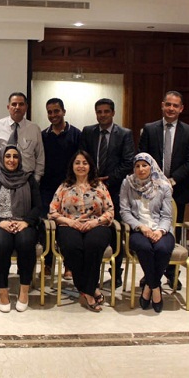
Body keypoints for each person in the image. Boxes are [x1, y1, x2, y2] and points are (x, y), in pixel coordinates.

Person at [138, 90, 189, 290]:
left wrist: (171, 180)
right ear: (162, 105)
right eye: (168, 104)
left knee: (173, 232)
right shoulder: (149, 129)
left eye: (175, 105)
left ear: (181, 109)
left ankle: (172, 274)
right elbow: (143, 157)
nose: (171, 108)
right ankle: (149, 275)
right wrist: (154, 180)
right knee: (150, 232)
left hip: (177, 190)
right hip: (150, 191)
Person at [49, 150, 114, 312]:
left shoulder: (100, 186)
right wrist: (70, 222)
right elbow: (52, 212)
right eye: (77, 163)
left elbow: (110, 211)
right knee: (73, 247)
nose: (81, 166)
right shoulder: (64, 186)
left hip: (96, 225)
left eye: (85, 163)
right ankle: (90, 289)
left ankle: (87, 292)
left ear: (90, 166)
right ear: (72, 166)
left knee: (93, 245)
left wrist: (94, 223)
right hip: (69, 225)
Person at [0, 145, 42, 312]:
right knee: (1, 244)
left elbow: (38, 206)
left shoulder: (29, 179)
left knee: (26, 242)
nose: (11, 160)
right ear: (2, 158)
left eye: (15, 156)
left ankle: (24, 290)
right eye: (8, 156)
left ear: (20, 160)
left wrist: (26, 221)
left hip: (24, 222)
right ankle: (3, 292)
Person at [80, 98, 134, 285]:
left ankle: (116, 272)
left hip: (115, 190)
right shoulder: (88, 132)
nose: (102, 115)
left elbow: (128, 162)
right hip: (90, 190)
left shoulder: (125, 134)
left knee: (115, 232)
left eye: (106, 111)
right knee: (90, 231)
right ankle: (89, 272)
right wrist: (92, 179)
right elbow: (82, 158)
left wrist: (108, 180)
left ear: (113, 113)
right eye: (99, 112)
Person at [120, 153, 175, 313]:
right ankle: (155, 288)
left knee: (162, 249)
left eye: (144, 165)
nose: (141, 169)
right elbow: (124, 211)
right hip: (138, 229)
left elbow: (167, 216)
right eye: (137, 166)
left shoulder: (163, 186)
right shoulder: (127, 183)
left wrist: (160, 231)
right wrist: (141, 227)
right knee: (144, 247)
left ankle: (148, 286)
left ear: (152, 167)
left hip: (161, 228)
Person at [40, 98, 81, 278]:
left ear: (64, 111)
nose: (53, 115)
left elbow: (80, 161)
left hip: (70, 188)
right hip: (47, 188)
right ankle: (47, 264)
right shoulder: (43, 135)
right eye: (49, 112)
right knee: (47, 226)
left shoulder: (76, 134)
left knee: (67, 226)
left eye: (56, 111)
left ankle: (69, 265)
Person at [0, 92, 45, 182]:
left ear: (26, 107)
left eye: (21, 104)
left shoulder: (34, 129)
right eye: (14, 104)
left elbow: (40, 156)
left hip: (27, 179)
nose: (17, 107)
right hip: (1, 179)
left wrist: (36, 179)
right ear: (8, 107)